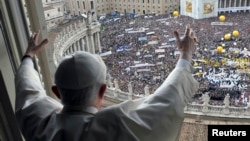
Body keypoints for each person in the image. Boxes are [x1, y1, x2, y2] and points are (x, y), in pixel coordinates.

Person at [15, 25, 199, 141]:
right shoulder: (117, 124)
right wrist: (185, 55)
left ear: (56, 92)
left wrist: (28, 56)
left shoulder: (39, 124)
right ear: (103, 90)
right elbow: (167, 100)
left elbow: (27, 88)